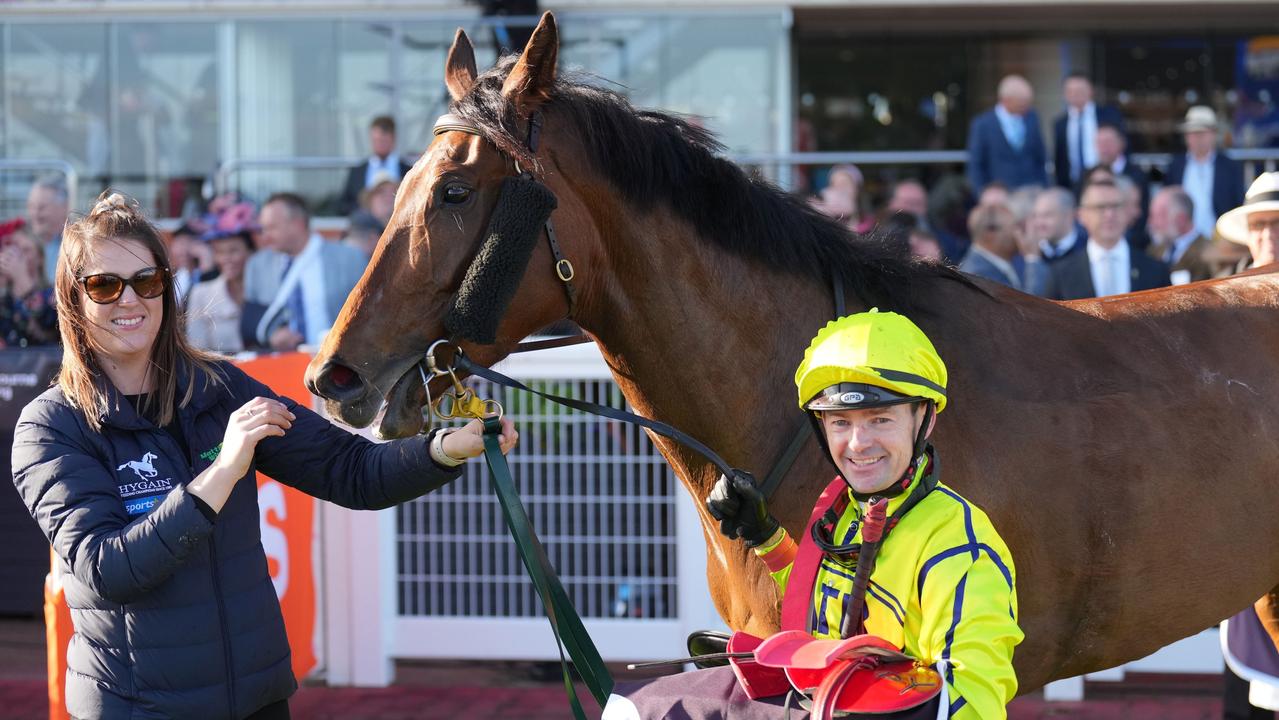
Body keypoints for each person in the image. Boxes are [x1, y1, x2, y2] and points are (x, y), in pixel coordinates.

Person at [10, 192, 518, 720]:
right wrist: (222, 472)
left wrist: (447, 448)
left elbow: (352, 471)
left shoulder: (218, 387)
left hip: (258, 699)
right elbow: (108, 569)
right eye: (104, 285)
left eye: (146, 281)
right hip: (140, 708)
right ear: (74, 298)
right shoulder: (51, 426)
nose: (129, 300)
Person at [609, 310, 1022, 719]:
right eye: (840, 422)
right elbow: (825, 612)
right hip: (816, 696)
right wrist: (766, 537)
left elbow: (972, 702)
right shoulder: (843, 509)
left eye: (880, 419)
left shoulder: (962, 545)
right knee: (628, 708)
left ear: (925, 419)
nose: (858, 444)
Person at [243, 192, 367, 351]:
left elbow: (370, 312)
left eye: (271, 228)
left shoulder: (350, 258)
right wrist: (272, 335)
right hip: (280, 364)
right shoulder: (258, 265)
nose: (264, 236)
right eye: (263, 229)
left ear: (298, 224)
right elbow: (248, 320)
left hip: (337, 362)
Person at [1041, 178, 1169, 299]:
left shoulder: (1156, 270)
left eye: (1116, 206)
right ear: (1081, 215)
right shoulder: (1061, 274)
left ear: (1127, 212)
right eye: (1100, 207)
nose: (1109, 214)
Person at [1165, 106, 1246, 241]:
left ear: (1214, 134)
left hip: (1218, 241)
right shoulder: (1175, 166)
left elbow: (1237, 206)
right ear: (1186, 136)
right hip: (1181, 241)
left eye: (1203, 132)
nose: (1198, 137)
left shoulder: (1230, 167)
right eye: (1194, 132)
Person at [966, 74, 1048, 193]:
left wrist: (1044, 186)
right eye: (1021, 102)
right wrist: (981, 193)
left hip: (1030, 192)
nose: (1026, 106)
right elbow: (976, 164)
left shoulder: (1032, 118)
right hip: (999, 194)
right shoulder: (983, 124)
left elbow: (1040, 157)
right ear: (1005, 101)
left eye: (1028, 102)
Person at [186, 227, 255, 354]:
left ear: (250, 252)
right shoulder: (201, 293)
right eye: (219, 252)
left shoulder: (266, 290)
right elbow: (197, 350)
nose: (226, 258)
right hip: (222, 372)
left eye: (233, 251)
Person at [1052, 74, 1126, 188]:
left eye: (1080, 90)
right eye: (1070, 91)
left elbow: (1122, 146)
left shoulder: (1109, 115)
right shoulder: (1060, 123)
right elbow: (1060, 159)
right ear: (1065, 94)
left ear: (1090, 91)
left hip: (1106, 181)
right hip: (1072, 185)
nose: (1075, 94)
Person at [338, 115, 414, 215]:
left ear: (393, 139)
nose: (379, 145)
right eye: (376, 140)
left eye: (383, 141)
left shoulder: (409, 171)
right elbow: (344, 204)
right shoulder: (357, 172)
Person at [0, 218, 59, 347]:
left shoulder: (54, 295)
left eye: (26, 250)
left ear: (40, 257)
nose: (18, 257)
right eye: (14, 250)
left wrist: (23, 281)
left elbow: (50, 327)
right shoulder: (5, 302)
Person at [1146, 186, 1214, 284]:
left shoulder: (1208, 253)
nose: (1152, 223)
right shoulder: (1153, 251)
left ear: (1181, 219)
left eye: (1159, 216)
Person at [26, 174, 70, 286]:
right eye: (31, 206)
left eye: (42, 208)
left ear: (63, 208)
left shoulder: (75, 244)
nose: (35, 214)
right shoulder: (22, 242)